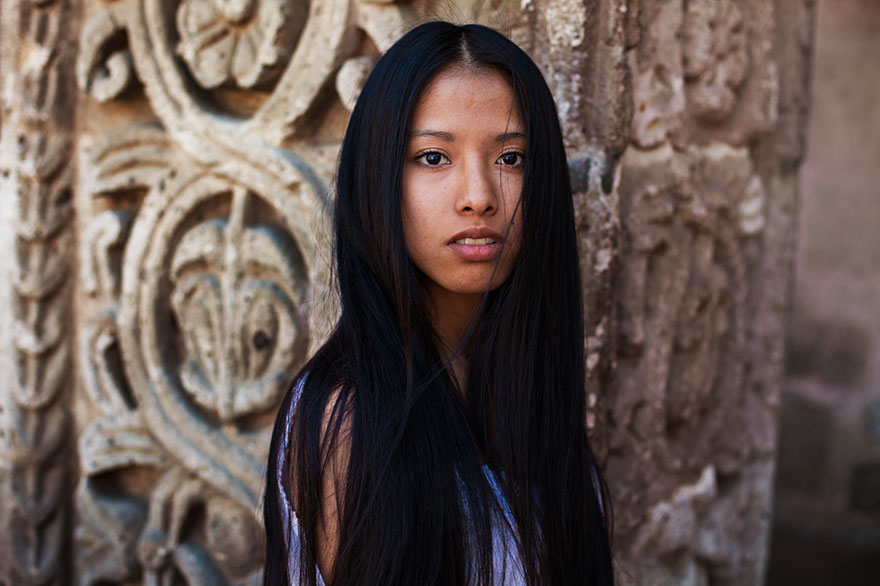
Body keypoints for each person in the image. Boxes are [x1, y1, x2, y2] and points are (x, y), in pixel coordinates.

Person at [264, 21, 613, 586]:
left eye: (511, 158)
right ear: (377, 181)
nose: (478, 195)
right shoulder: (350, 419)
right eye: (432, 157)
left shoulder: (527, 387)